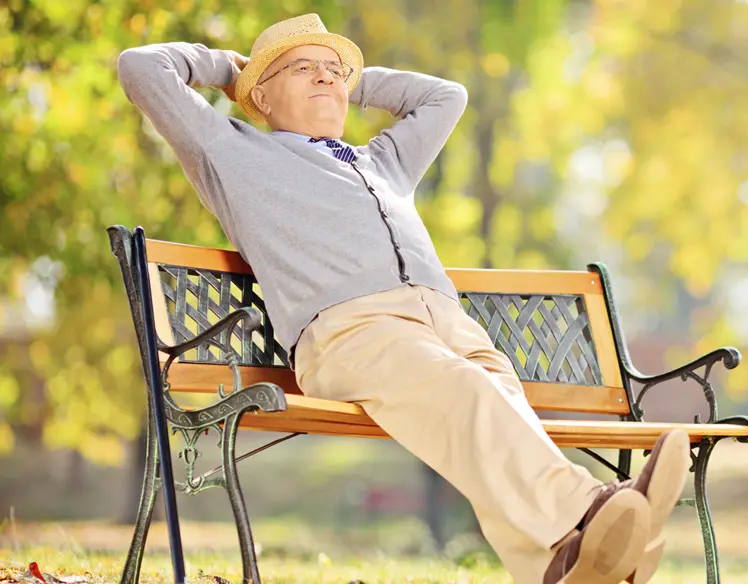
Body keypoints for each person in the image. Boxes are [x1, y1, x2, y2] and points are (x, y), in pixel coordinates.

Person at [116, 13, 690, 584]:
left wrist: (351, 77)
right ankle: (593, 508)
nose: (324, 79)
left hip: (447, 323)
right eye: (301, 69)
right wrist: (229, 70)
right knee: (466, 391)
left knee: (499, 407)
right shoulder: (232, 152)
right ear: (260, 96)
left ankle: (561, 564)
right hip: (351, 332)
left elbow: (446, 97)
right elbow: (141, 68)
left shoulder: (382, 162)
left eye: (332, 70)